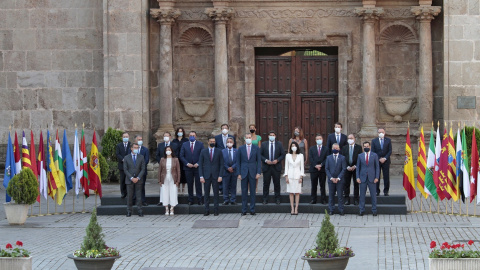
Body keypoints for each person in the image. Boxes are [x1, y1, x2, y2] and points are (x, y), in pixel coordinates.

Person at [237, 133, 262, 215]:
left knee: (252, 192)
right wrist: (239, 173)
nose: (248, 138)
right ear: (245, 139)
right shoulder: (241, 148)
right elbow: (238, 162)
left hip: (253, 172)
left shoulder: (256, 148)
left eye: (249, 137)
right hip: (243, 172)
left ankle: (252, 209)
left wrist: (258, 172)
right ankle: (244, 209)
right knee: (244, 192)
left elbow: (258, 161)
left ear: (251, 138)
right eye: (247, 137)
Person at [199, 137, 224, 216]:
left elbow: (221, 164)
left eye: (214, 141)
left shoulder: (219, 151)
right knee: (206, 194)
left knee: (216, 194)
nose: (212, 142)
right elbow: (200, 165)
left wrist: (220, 175)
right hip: (206, 176)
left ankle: (216, 210)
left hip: (216, 176)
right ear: (208, 142)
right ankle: (206, 210)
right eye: (211, 141)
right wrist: (201, 176)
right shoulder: (203, 152)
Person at [179, 131, 204, 205]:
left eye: (193, 135)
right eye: (190, 135)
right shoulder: (184, 144)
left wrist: (198, 163)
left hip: (197, 168)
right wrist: (187, 163)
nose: (192, 137)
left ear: (196, 136)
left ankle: (199, 199)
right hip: (188, 168)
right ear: (188, 136)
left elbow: (202, 155)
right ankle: (190, 199)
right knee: (190, 184)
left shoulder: (200, 144)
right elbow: (181, 155)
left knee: (198, 184)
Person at [260, 131, 285, 204]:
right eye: (270, 135)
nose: (272, 136)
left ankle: (277, 199)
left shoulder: (279, 144)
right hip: (267, 167)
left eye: (273, 135)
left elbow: (283, 154)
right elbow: (260, 154)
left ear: (275, 136)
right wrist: (265, 160)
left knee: (277, 183)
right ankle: (265, 199)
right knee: (266, 184)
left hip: (276, 167)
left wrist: (277, 160)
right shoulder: (264, 144)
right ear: (268, 136)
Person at [356, 141, 380, 216]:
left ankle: (374, 210)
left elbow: (377, 167)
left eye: (367, 146)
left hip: (372, 178)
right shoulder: (360, 156)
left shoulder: (374, 155)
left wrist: (377, 177)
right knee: (362, 195)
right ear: (363, 147)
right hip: (362, 178)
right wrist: (357, 177)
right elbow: (358, 167)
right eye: (365, 146)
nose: (366, 147)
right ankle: (361, 210)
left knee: (373, 195)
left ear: (370, 147)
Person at [124, 143, 146, 217]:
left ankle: (140, 210)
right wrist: (131, 178)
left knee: (139, 196)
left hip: (138, 180)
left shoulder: (141, 157)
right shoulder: (126, 157)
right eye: (135, 147)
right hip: (129, 180)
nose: (136, 149)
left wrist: (138, 178)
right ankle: (129, 211)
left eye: (137, 147)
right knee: (129, 196)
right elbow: (125, 169)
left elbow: (143, 169)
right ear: (131, 148)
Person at [158, 146, 181, 216]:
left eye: (169, 150)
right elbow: (159, 170)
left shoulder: (175, 159)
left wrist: (178, 180)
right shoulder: (162, 159)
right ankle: (166, 208)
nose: (168, 151)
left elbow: (178, 170)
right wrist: (159, 180)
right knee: (164, 192)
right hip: (164, 177)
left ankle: (172, 208)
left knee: (173, 192)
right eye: (167, 150)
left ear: (171, 151)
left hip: (173, 177)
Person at [325, 143, 346, 215]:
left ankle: (341, 209)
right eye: (334, 148)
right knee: (331, 195)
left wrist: (338, 178)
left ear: (339, 149)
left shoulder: (342, 158)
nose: (335, 149)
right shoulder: (328, 157)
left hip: (339, 180)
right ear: (331, 149)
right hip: (331, 180)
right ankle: (331, 209)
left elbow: (343, 169)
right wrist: (331, 178)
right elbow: (327, 169)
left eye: (336, 148)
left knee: (340, 195)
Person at [284, 141, 305, 215]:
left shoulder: (300, 155)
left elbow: (302, 167)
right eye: (292, 146)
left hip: (297, 176)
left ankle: (296, 208)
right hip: (290, 176)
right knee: (291, 193)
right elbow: (286, 166)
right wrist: (286, 176)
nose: (293, 147)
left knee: (297, 193)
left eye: (295, 146)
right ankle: (292, 208)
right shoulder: (288, 155)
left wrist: (301, 177)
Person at [341, 134, 362, 205]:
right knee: (346, 184)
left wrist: (355, 166)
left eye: (351, 138)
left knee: (356, 184)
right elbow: (343, 158)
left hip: (355, 168)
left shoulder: (358, 147)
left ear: (354, 139)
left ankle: (356, 199)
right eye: (349, 138)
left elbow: (360, 158)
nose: (350, 139)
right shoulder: (344, 148)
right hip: (347, 168)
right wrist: (347, 166)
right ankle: (347, 199)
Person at [215, 123, 236, 195]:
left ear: (228, 129)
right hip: (220, 157)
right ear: (221, 129)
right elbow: (215, 147)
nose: (224, 129)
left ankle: (229, 189)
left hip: (230, 158)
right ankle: (221, 189)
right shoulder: (217, 137)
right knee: (221, 173)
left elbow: (234, 147)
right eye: (223, 128)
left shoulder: (232, 137)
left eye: (226, 128)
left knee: (230, 174)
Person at [371, 128, 392, 196]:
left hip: (386, 161)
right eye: (379, 132)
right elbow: (373, 151)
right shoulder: (374, 141)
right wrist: (379, 158)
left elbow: (390, 151)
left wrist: (385, 158)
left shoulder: (388, 140)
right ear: (377, 133)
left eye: (382, 132)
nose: (381, 133)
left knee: (386, 176)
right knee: (377, 176)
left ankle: (386, 191)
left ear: (384, 132)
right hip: (377, 161)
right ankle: (377, 191)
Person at [308, 134, 328, 204]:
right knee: (314, 185)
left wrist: (321, 165)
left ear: (322, 140)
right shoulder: (312, 148)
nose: (319, 140)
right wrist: (316, 165)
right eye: (317, 139)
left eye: (320, 139)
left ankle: (323, 199)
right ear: (315, 140)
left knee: (322, 185)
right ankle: (313, 199)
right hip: (314, 169)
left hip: (322, 170)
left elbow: (327, 158)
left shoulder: (326, 149)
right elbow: (311, 158)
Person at [222, 137, 238, 205]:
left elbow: (238, 160)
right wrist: (227, 168)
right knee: (225, 186)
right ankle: (226, 199)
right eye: (228, 142)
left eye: (231, 142)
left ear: (233, 143)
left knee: (233, 186)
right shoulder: (223, 151)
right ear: (226, 143)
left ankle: (233, 199)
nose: (229, 143)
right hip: (226, 171)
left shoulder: (236, 151)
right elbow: (222, 161)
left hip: (234, 171)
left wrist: (233, 167)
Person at [172, 127, 189, 193]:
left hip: (184, 159)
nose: (180, 132)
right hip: (176, 159)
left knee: (183, 174)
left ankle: (183, 188)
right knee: (177, 173)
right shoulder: (174, 141)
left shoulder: (185, 140)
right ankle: (178, 187)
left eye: (181, 131)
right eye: (179, 131)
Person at [134, 135, 149, 206]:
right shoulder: (132, 149)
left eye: (141, 139)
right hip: (133, 171)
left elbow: (146, 160)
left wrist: (140, 167)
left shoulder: (145, 150)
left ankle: (143, 200)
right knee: (133, 186)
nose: (140, 140)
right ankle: (134, 200)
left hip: (142, 171)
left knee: (142, 186)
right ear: (135, 141)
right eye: (139, 139)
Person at [116, 132, 131, 199]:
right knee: (122, 180)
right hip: (122, 165)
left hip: (129, 166)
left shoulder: (131, 145)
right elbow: (117, 154)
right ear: (122, 138)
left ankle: (129, 193)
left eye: (126, 136)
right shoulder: (119, 145)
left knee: (129, 180)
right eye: (124, 137)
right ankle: (123, 193)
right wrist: (123, 159)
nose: (125, 138)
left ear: (129, 137)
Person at [249, 124, 262, 192]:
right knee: (248, 173)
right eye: (250, 128)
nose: (252, 129)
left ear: (255, 129)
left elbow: (259, 147)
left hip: (255, 156)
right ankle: (249, 188)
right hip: (248, 156)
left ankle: (255, 187)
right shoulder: (247, 137)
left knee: (255, 173)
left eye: (253, 128)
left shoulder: (258, 137)